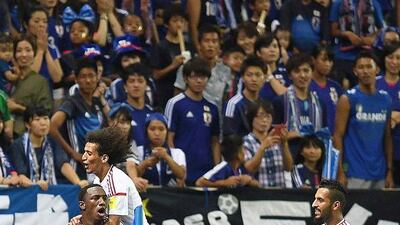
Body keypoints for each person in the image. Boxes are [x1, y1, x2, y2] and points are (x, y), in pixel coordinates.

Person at [333, 51, 394, 189]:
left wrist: (389, 170)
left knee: (380, 211)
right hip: (354, 173)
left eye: (369, 66)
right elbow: (337, 136)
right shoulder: (347, 99)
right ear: (355, 71)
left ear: (377, 69)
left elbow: (388, 137)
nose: (365, 71)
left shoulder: (385, 99)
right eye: (361, 67)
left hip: (380, 173)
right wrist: (340, 172)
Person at [166, 57, 220, 186]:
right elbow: (169, 139)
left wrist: (216, 171)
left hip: (206, 172)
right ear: (185, 79)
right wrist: (176, 169)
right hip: (182, 171)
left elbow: (215, 141)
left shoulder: (212, 107)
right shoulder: (175, 103)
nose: (199, 80)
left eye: (203, 77)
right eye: (194, 77)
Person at [50, 58, 106, 180]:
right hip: (77, 168)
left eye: (91, 76)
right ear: (76, 79)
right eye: (83, 76)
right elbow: (52, 126)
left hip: (95, 167)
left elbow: (111, 125)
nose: (88, 80)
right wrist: (73, 153)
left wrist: (101, 99)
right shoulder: (72, 102)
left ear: (97, 77)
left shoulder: (97, 103)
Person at [9, 106, 88, 190]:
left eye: (46, 118)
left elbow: (63, 164)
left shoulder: (52, 142)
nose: (43, 123)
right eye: (37, 119)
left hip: (51, 190)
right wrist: (35, 185)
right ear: (27, 125)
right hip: (28, 193)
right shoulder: (18, 145)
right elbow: (21, 175)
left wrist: (78, 182)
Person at [82, 127, 148, 225]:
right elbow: (96, 216)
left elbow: (113, 223)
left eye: (89, 153)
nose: (83, 157)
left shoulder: (116, 181)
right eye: (84, 152)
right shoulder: (97, 181)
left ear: (104, 158)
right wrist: (80, 220)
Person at [273, 53, 327, 156]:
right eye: (297, 71)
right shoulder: (280, 102)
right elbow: (273, 137)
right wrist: (293, 134)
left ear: (312, 73)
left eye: (306, 71)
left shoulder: (320, 104)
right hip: (288, 158)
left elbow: (323, 135)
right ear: (290, 75)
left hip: (314, 161)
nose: (302, 75)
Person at [8, 35, 52, 136]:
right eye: (19, 51)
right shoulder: (6, 78)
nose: (24, 54)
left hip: (26, 135)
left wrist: (17, 107)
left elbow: (45, 112)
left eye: (28, 50)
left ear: (34, 54)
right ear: (14, 55)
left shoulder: (40, 82)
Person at [243, 100, 293, 188]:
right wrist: (262, 148)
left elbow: (288, 168)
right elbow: (249, 169)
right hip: (258, 194)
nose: (264, 120)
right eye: (260, 116)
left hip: (279, 193)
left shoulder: (278, 139)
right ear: (251, 119)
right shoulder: (246, 142)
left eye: (268, 116)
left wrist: (285, 144)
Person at [137, 113, 186, 187]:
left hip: (170, 196)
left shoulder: (177, 153)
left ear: (167, 132)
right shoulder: (139, 151)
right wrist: (145, 164)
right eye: (152, 129)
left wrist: (166, 157)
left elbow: (182, 175)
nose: (157, 133)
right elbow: (133, 176)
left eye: (161, 129)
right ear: (146, 131)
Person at [108, 103, 148, 192]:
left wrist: (134, 179)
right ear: (110, 122)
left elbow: (130, 163)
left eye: (128, 123)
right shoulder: (101, 142)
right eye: (122, 122)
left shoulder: (131, 143)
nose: (125, 126)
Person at [376, 44, 400, 186]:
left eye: (398, 58)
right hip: (380, 151)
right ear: (384, 59)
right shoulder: (375, 83)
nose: (394, 62)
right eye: (391, 57)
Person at [195, 134, 259, 188]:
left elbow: (258, 185)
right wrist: (224, 183)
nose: (245, 152)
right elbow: (199, 182)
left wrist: (249, 180)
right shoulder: (224, 167)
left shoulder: (241, 168)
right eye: (243, 149)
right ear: (237, 154)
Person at [310, 45, 344, 134]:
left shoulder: (336, 87)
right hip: (312, 139)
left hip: (333, 138)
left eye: (330, 61)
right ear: (313, 60)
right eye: (324, 60)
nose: (327, 64)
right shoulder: (306, 85)